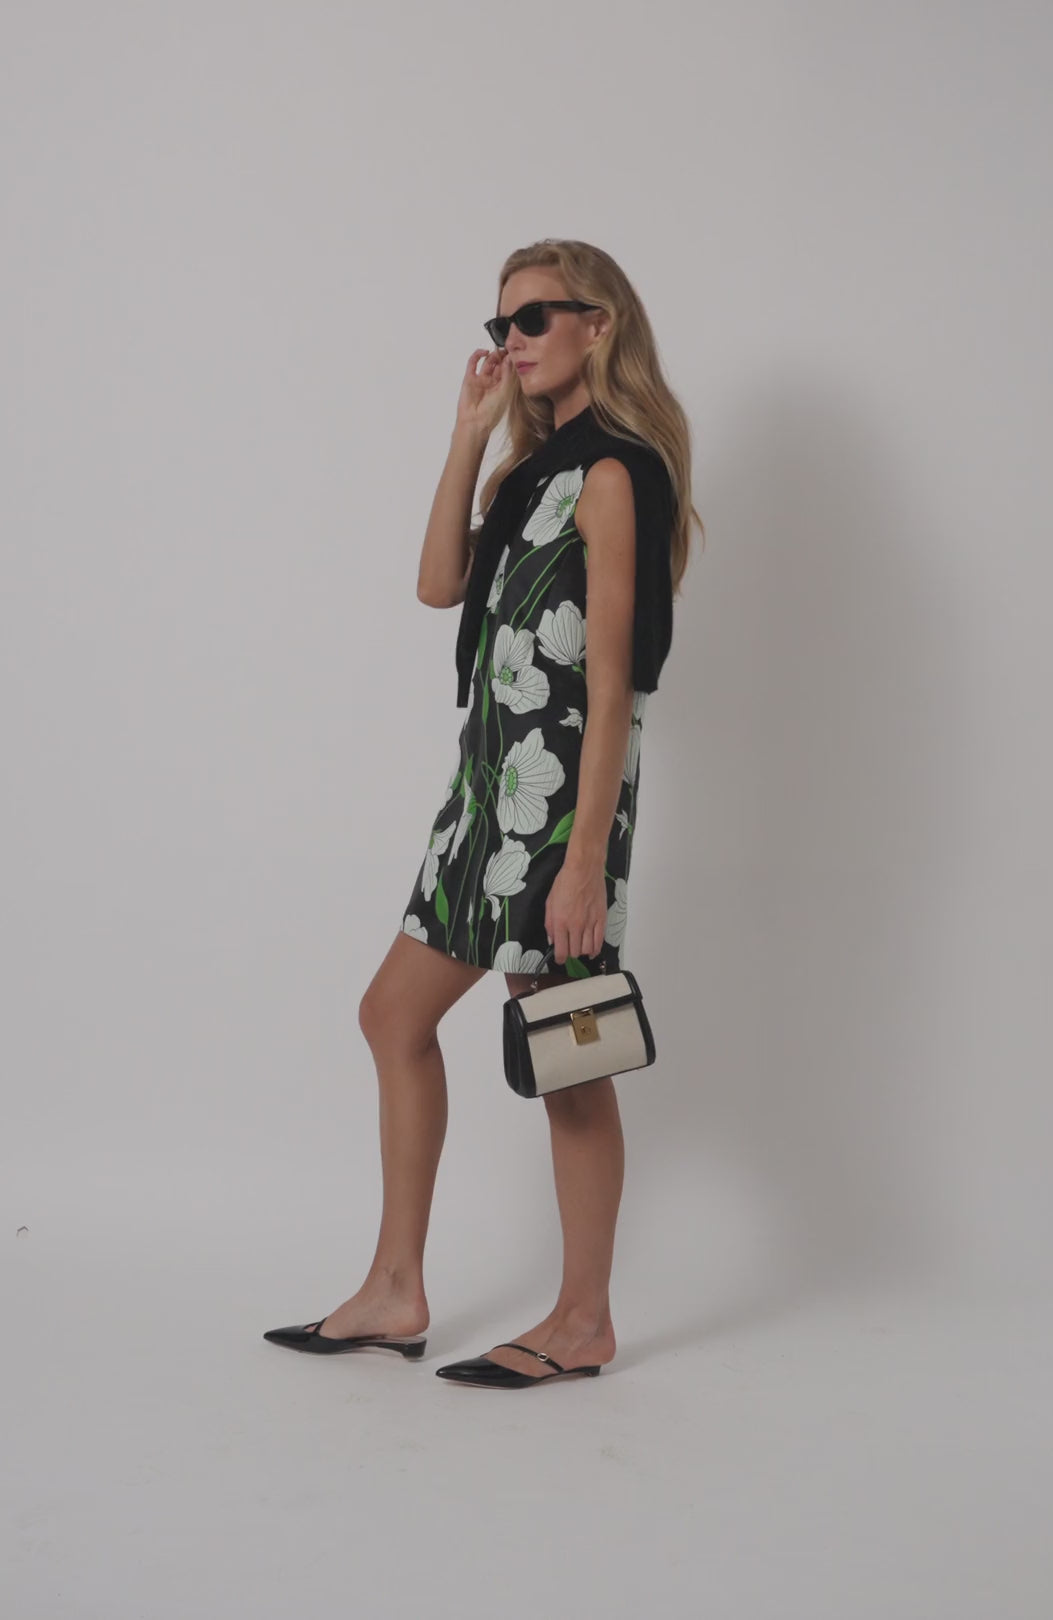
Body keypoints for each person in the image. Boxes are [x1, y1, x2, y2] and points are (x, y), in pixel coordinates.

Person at [265, 238, 699, 1388]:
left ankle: (583, 1320)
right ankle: (395, 1290)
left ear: (600, 325)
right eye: (501, 322)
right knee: (392, 1015)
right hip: (483, 798)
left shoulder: (615, 475)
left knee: (568, 1052)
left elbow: (613, 684)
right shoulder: (529, 474)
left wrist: (583, 861)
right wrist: (469, 436)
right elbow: (437, 585)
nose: (512, 339)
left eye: (535, 318)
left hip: (555, 812)